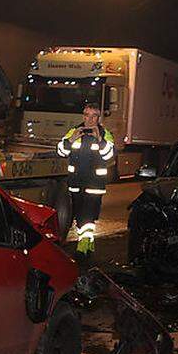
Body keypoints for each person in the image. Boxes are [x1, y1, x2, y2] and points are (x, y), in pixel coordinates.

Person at [56, 105, 115, 262]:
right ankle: (89, 243)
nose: (89, 119)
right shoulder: (75, 131)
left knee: (86, 216)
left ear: (99, 118)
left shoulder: (105, 134)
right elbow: (61, 151)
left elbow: (109, 155)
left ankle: (82, 249)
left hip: (95, 184)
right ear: (83, 116)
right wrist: (72, 139)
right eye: (87, 116)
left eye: (94, 116)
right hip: (75, 182)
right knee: (79, 216)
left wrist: (100, 139)